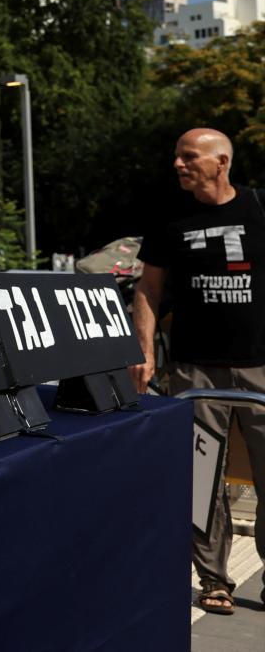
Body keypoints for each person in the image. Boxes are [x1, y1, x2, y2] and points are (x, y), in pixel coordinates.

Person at [129, 127, 265, 617]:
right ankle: (214, 579)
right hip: (193, 371)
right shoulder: (169, 219)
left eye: (189, 157)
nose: (179, 165)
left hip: (260, 368)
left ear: (221, 161)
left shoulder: (259, 209)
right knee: (202, 479)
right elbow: (147, 290)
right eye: (177, 156)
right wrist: (143, 352)